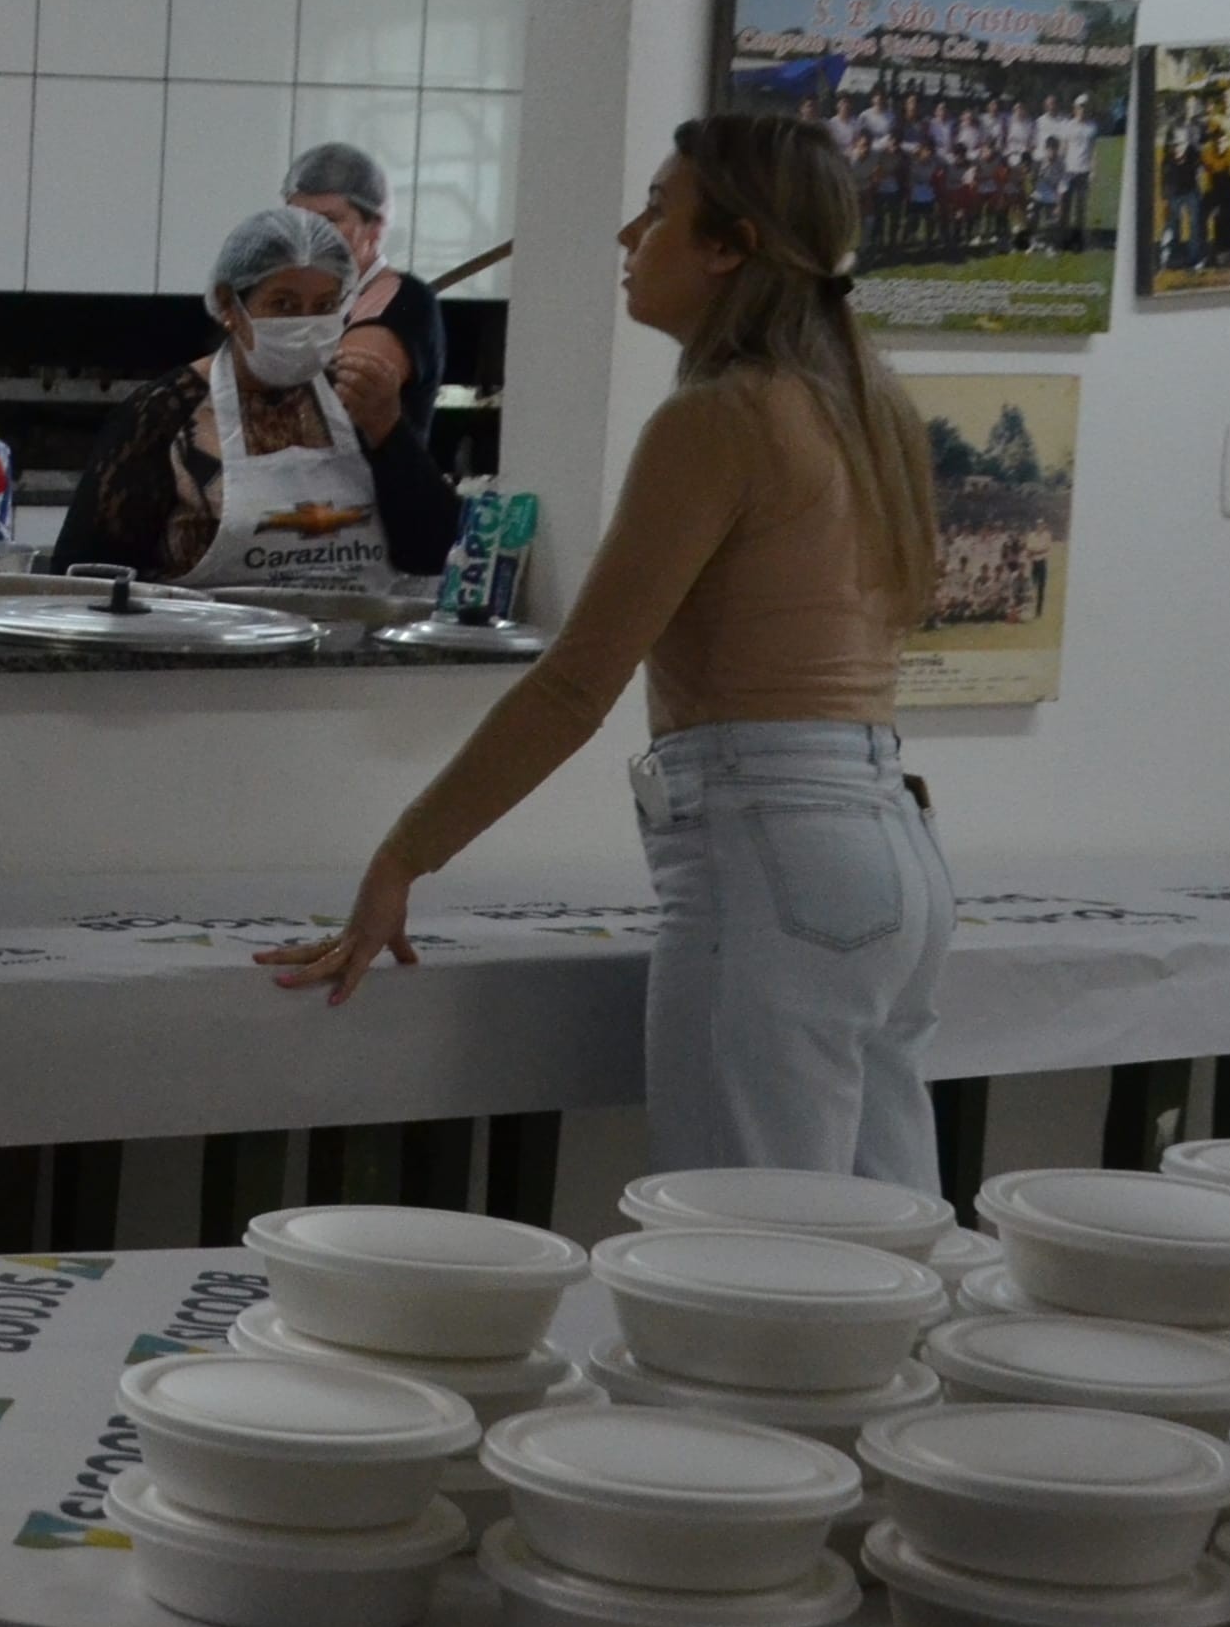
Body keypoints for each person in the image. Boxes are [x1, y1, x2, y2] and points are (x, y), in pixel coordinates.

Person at [264, 114, 954, 1186]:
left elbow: (577, 682)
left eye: (658, 208)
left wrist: (404, 853)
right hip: (890, 850)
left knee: (750, 1254)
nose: (628, 234)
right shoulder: (864, 406)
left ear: (727, 245)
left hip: (773, 852)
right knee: (885, 1253)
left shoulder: (720, 418)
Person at [50, 204, 459, 586]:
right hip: (205, 654)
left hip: (345, 656)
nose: (305, 323)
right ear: (230, 305)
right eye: (283, 304)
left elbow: (432, 553)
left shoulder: (358, 401)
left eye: (324, 305)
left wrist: (390, 430)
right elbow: (84, 577)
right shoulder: (165, 413)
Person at [283, 140, 453, 445]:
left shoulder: (405, 300)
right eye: (297, 220)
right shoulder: (304, 300)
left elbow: (327, 415)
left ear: (375, 227)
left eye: (329, 220)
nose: (308, 235)